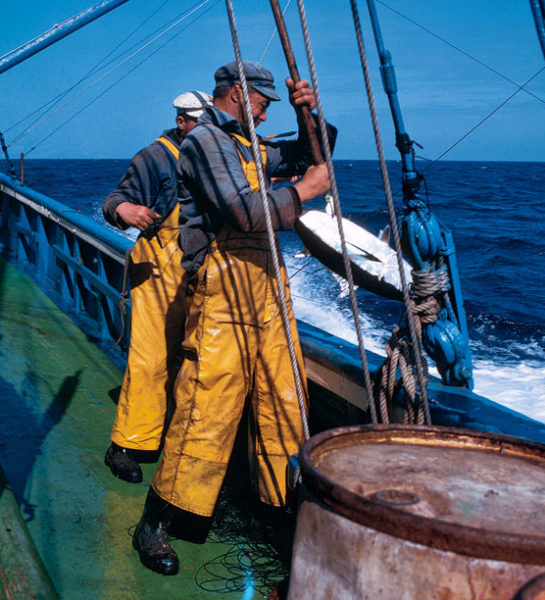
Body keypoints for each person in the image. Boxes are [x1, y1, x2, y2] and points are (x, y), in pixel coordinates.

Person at [132, 61, 334, 575]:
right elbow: (243, 211)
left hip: (270, 285)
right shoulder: (205, 141)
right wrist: (306, 192)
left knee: (283, 402)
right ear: (240, 95)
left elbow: (310, 155)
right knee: (208, 403)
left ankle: (278, 511)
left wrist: (310, 115)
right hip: (223, 287)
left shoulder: (250, 146)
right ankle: (157, 521)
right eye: (264, 106)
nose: (266, 118)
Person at [102, 91, 213, 483]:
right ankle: (126, 445)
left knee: (198, 360)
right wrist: (124, 210)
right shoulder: (155, 157)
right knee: (150, 360)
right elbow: (115, 200)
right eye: (199, 122)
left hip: (200, 271)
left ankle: (180, 441)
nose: (206, 129)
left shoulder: (218, 155)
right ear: (182, 121)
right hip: (157, 273)